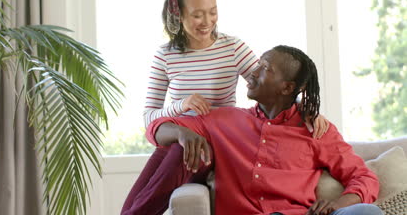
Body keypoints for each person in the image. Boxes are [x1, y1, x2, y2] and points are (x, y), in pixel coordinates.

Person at [121, 0, 328, 214]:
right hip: (175, 139)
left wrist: (304, 108)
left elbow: (269, 86)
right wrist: (181, 106)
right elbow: (149, 119)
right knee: (130, 205)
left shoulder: (232, 48)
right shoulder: (165, 56)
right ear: (178, 14)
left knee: (149, 197)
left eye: (212, 12)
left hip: (212, 144)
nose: (207, 21)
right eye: (197, 15)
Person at [145, 45, 383, 215]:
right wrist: (181, 133)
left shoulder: (316, 130)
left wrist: (339, 205)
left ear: (286, 87)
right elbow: (155, 129)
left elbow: (363, 177)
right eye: (257, 64)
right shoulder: (224, 120)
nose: (253, 72)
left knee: (367, 212)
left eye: (265, 68)